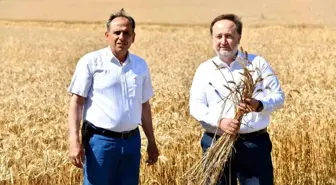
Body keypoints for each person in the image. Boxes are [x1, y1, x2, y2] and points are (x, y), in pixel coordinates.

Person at [189, 14, 285, 185]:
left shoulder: (257, 63)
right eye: (219, 36)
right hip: (215, 142)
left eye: (229, 36)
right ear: (212, 38)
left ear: (239, 37)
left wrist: (259, 105)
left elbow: (278, 98)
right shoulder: (204, 69)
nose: (223, 41)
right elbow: (196, 107)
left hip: (253, 145)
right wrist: (220, 122)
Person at [67, 9, 159, 185]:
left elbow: (144, 106)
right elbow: (76, 103)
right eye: (117, 32)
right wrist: (74, 142)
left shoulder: (140, 65)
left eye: (126, 33)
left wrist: (152, 142)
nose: (121, 37)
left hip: (132, 142)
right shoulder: (91, 62)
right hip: (100, 143)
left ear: (133, 37)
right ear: (107, 35)